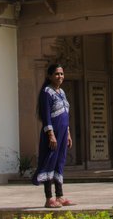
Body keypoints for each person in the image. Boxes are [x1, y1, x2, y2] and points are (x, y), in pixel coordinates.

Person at [32, 63, 75, 208]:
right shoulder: (46, 92)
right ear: (49, 76)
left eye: (62, 74)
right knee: (49, 161)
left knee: (60, 162)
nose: (60, 76)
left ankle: (60, 196)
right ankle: (49, 198)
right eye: (57, 74)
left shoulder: (61, 92)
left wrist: (68, 133)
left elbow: (65, 115)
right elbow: (46, 116)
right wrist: (51, 134)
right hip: (52, 134)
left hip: (63, 134)